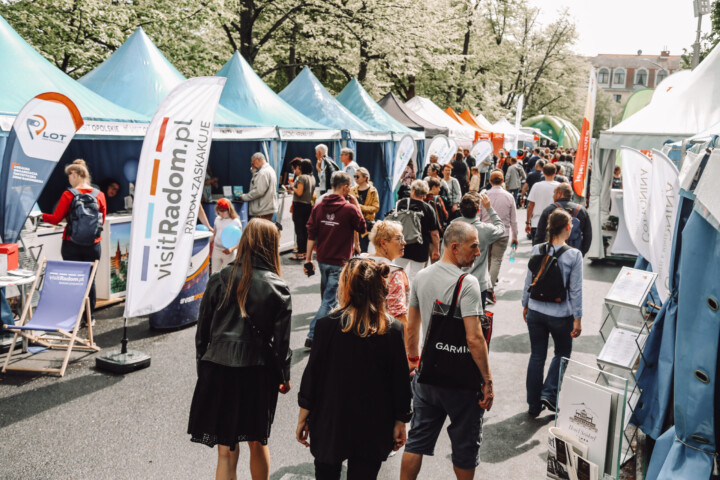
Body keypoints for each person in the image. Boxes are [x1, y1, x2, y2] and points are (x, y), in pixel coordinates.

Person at [189, 219, 292, 480]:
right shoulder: (277, 287)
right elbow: (281, 345)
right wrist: (284, 376)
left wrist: (204, 369)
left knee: (226, 450)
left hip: (218, 367)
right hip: (256, 372)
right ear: (271, 246)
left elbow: (202, 335)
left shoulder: (219, 279)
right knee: (258, 442)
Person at [297, 258, 412, 479]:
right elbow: (400, 380)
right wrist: (401, 420)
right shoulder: (392, 329)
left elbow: (312, 377)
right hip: (374, 422)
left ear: (346, 287)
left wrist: (304, 416)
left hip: (331, 420)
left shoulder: (326, 326)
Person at [401, 222, 494, 480]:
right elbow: (474, 338)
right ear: (455, 247)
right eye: (474, 246)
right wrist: (487, 381)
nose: (478, 252)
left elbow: (412, 328)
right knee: (464, 448)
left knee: (416, 441)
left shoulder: (421, 277)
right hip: (461, 381)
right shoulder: (468, 283)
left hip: (428, 375)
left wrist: (414, 363)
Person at [522, 210, 583, 416]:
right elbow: (575, 290)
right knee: (562, 353)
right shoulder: (573, 255)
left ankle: (533, 404)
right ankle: (549, 393)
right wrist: (578, 318)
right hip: (560, 314)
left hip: (536, 310)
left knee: (537, 355)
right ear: (567, 228)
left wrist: (525, 304)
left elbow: (528, 280)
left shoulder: (537, 249)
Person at [304, 171, 366, 348]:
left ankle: (328, 331)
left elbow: (311, 233)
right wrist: (357, 205)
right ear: (345, 187)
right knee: (330, 300)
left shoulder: (318, 206)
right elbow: (362, 227)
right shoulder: (349, 208)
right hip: (339, 261)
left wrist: (308, 258)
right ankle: (313, 334)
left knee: (327, 298)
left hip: (322, 259)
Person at [41, 159, 106, 321]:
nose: (69, 179)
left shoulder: (68, 194)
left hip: (71, 244)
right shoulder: (99, 195)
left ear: (75, 174)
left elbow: (56, 219)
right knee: (90, 281)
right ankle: (89, 318)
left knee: (74, 280)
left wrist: (40, 216)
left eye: (69, 176)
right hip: (93, 244)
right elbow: (101, 221)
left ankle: (73, 317)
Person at [451, 193, 505, 308]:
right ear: (478, 211)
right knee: (476, 321)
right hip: (478, 283)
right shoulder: (485, 229)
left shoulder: (451, 228)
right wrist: (489, 209)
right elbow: (501, 227)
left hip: (454, 283)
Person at [480, 171, 518, 304]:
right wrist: (515, 236)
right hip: (503, 233)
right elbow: (513, 218)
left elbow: (478, 215)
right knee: (496, 260)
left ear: (490, 181)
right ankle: (489, 290)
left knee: (486, 259)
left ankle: (485, 285)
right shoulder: (509, 197)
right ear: (503, 181)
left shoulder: (484, 196)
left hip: (485, 231)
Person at [394, 180, 440, 283]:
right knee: (415, 277)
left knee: (397, 273)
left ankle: (399, 296)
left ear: (413, 191)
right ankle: (411, 298)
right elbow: (434, 233)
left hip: (403, 245)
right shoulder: (429, 209)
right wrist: (436, 250)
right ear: (425, 193)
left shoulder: (402, 203)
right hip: (421, 247)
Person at [367, 221, 410, 328]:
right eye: (399, 238)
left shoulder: (360, 262)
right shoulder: (394, 273)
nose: (404, 242)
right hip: (384, 331)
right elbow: (398, 314)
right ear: (384, 243)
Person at [534, 183, 592, 256]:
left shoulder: (549, 210)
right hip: (574, 252)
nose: (553, 196)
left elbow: (540, 235)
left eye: (554, 193)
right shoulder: (582, 211)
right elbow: (588, 236)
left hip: (552, 254)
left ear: (559, 193)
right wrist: (581, 253)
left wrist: (540, 254)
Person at [288, 159, 315, 261]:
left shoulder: (302, 178)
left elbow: (299, 193)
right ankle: (305, 252)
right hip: (308, 206)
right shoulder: (312, 177)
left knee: (299, 230)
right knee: (305, 230)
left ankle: (300, 253)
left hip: (299, 206)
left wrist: (291, 187)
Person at [526, 163, 559, 243]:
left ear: (543, 173)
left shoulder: (536, 186)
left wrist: (527, 222)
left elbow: (531, 205)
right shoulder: (559, 186)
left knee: (537, 250)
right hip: (554, 222)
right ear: (555, 173)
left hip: (537, 222)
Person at [240, 153, 278, 221]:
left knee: (258, 231)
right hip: (267, 208)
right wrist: (254, 172)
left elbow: (258, 191)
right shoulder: (270, 170)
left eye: (253, 163)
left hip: (261, 210)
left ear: (258, 160)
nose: (252, 165)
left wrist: (244, 197)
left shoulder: (263, 172)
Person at [350, 167, 379, 253]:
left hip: (367, 225)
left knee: (364, 250)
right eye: (354, 176)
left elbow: (375, 207)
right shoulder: (352, 190)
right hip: (354, 223)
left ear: (365, 177)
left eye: (357, 176)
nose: (355, 178)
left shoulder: (373, 191)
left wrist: (360, 207)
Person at [210, 198, 242, 272]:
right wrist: (208, 244)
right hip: (217, 249)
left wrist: (231, 249)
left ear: (229, 210)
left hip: (229, 252)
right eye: (218, 210)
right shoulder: (217, 219)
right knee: (214, 273)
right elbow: (214, 234)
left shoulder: (236, 222)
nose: (219, 212)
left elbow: (240, 240)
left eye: (222, 211)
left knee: (227, 274)